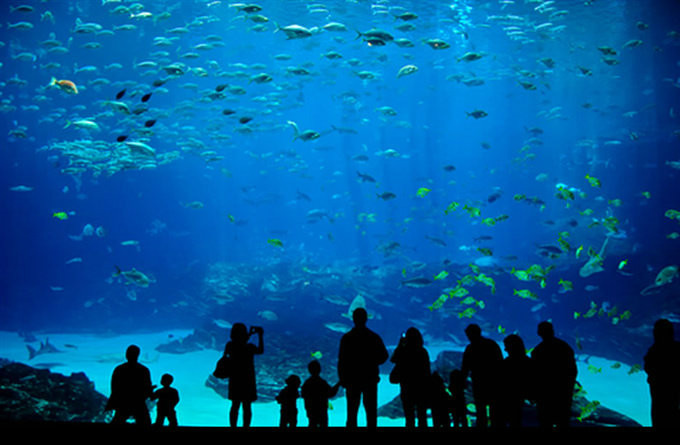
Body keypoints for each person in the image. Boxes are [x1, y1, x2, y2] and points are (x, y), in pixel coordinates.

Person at [337, 307, 389, 428]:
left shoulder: (347, 338)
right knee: (371, 413)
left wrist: (343, 379)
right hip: (370, 379)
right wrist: (372, 362)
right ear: (366, 319)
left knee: (352, 413)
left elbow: (342, 361)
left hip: (352, 380)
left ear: (353, 319)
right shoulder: (374, 337)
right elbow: (384, 357)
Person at [530, 321, 577, 428]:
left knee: (545, 422)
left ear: (539, 332)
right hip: (563, 392)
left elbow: (534, 375)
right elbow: (573, 371)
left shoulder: (538, 351)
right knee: (563, 421)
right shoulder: (565, 347)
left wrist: (533, 393)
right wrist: (569, 387)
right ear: (552, 331)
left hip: (545, 394)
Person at [460, 323, 503, 427]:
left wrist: (462, 381)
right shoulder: (492, 344)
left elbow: (465, 368)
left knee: (481, 410)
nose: (468, 337)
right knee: (494, 410)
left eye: (468, 335)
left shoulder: (470, 348)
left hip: (480, 382)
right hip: (493, 381)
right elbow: (500, 363)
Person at [223, 323, 264, 427]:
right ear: (244, 334)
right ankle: (246, 427)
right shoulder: (249, 347)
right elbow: (260, 350)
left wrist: (249, 334)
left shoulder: (230, 345)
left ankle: (233, 427)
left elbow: (237, 344)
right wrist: (259, 335)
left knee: (235, 405)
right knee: (247, 406)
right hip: (248, 379)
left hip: (235, 378)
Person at [389, 327, 431, 428]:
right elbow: (427, 371)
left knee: (409, 417)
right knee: (422, 417)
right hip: (421, 388)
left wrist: (400, 344)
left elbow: (393, 359)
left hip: (407, 388)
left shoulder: (403, 351)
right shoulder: (423, 352)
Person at [105, 344, 155, 425]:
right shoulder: (144, 370)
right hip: (138, 401)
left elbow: (114, 388)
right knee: (145, 422)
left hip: (123, 402)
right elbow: (147, 387)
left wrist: (114, 402)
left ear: (126, 355)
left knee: (118, 421)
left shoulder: (119, 369)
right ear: (138, 355)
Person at [643, 318, 680, 427]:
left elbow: (648, 367)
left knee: (659, 417)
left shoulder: (653, 350)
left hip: (658, 393)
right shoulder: (678, 348)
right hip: (674, 394)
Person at [499, 334, 533, 427]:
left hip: (509, 399)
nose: (506, 350)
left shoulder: (506, 364)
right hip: (521, 399)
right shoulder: (529, 362)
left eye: (507, 348)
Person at [301, 359, 340, 428]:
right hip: (322, 411)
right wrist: (338, 384)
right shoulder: (322, 382)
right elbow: (331, 393)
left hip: (311, 411)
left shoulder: (307, 383)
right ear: (320, 369)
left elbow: (303, 395)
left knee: (312, 424)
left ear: (309, 370)